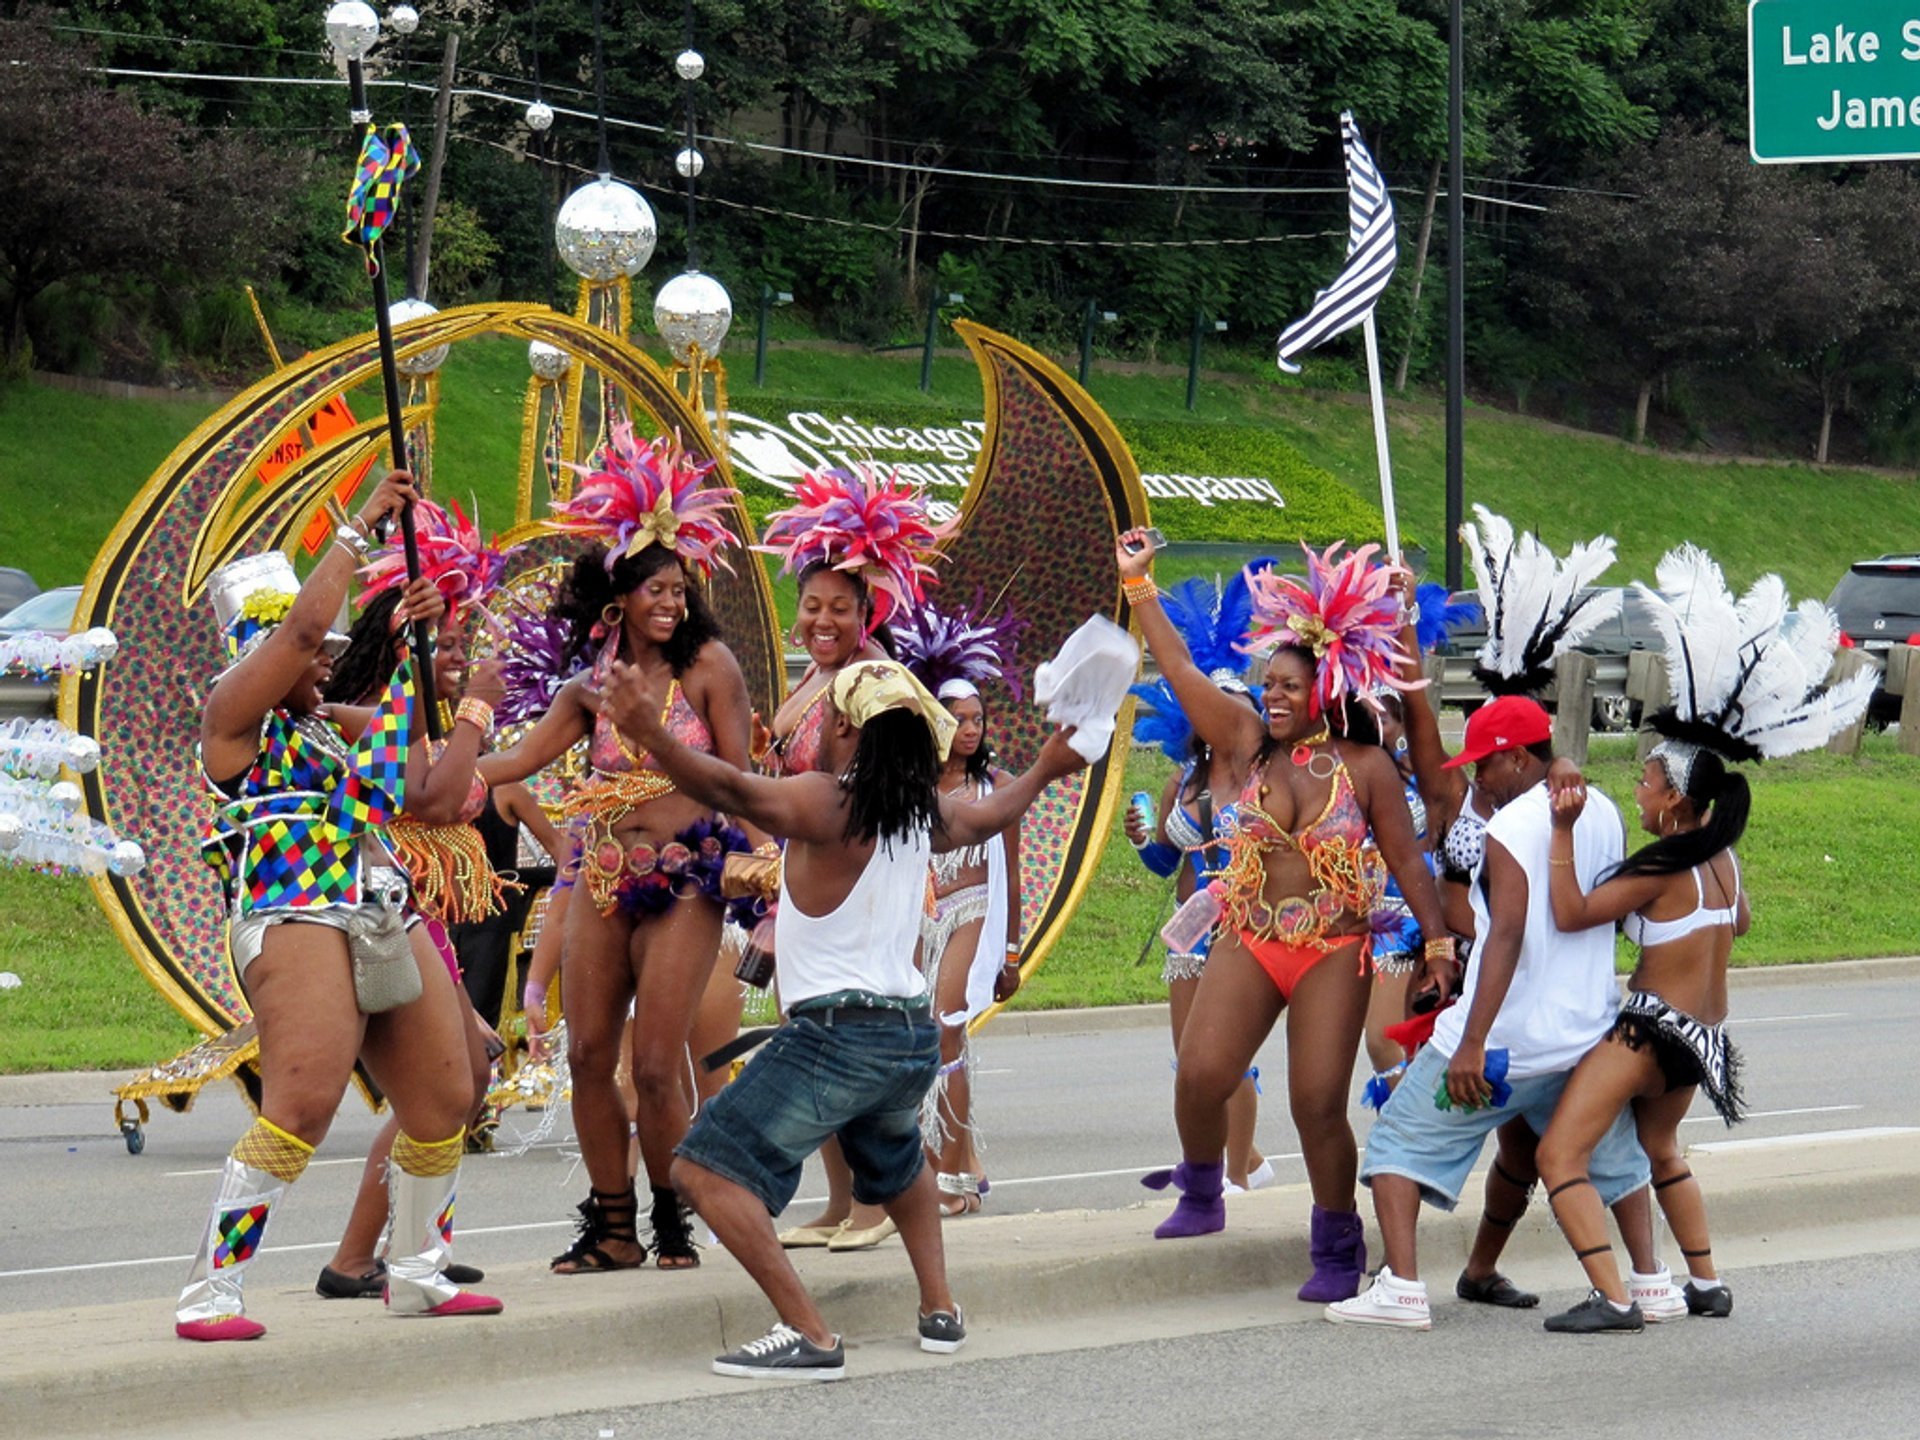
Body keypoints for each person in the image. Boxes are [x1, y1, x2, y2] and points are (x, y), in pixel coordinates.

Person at [603, 656, 1089, 1379]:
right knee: (896, 1164)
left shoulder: (827, 801)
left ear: (839, 726)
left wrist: (656, 735)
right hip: (905, 1036)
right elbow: (992, 812)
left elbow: (730, 787)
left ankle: (810, 1333)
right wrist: (1048, 766)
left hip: (838, 1037)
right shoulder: (920, 810)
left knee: (703, 1169)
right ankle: (940, 1310)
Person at [175, 470, 501, 1340]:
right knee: (304, 1104)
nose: (326, 660)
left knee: (445, 1095)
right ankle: (211, 1290)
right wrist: (362, 527)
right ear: (263, 649)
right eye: (313, 656)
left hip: (375, 904)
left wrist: (431, 657)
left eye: (328, 657)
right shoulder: (231, 718)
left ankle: (419, 1270)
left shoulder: (325, 725)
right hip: (293, 917)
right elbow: (307, 626)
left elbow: (423, 784)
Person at [1531, 543, 1873, 1333]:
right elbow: (1739, 923)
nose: (1637, 791)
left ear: (1679, 800)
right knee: (1662, 1153)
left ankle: (1613, 1297)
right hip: (1705, 1040)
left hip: (1650, 1033)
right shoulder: (1720, 857)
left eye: (1647, 783)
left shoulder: (1662, 864)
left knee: (1560, 1156)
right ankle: (1707, 1282)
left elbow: (1572, 912)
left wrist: (1560, 830)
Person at [1119, 533, 1452, 1305]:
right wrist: (1139, 586)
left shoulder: (1363, 768)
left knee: (1315, 1103)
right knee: (1201, 1074)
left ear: (1326, 689)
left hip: (1334, 947)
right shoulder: (1241, 744)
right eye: (1266, 684)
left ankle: (1338, 1239)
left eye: (1288, 687)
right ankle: (1203, 1189)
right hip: (1249, 935)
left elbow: (1406, 863)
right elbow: (1178, 671)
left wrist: (1436, 943)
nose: (1270, 696)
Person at [479, 424, 756, 1272]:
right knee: (590, 1056)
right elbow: (513, 762)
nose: (669, 603)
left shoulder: (711, 669)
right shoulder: (589, 688)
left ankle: (673, 1217)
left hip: (685, 886)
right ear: (616, 598)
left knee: (656, 1062)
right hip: (598, 882)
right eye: (653, 590)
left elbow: (739, 784)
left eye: (679, 588)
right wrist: (438, 748)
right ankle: (611, 1227)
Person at [1393, 527, 1667, 1316]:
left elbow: (1534, 910)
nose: (1474, 766)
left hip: (1510, 1005)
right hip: (1473, 983)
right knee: (1535, 1149)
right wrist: (1409, 621)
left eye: (1487, 754)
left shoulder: (1553, 798)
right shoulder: (1458, 802)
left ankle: (1459, 1274)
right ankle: (1485, 1274)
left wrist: (1564, 766)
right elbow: (1419, 719)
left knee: (1519, 1150)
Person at [1326, 695, 1650, 1331]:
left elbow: (1505, 936)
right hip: (1582, 1035)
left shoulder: (1508, 829)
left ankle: (1401, 1289)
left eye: (1487, 766)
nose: (1477, 780)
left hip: (1505, 1042)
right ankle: (1652, 1281)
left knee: (1397, 1145)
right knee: (1614, 1158)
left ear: (1520, 758)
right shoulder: (1605, 810)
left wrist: (1471, 1041)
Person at [752, 465, 948, 1252]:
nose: (822, 619)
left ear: (870, 612)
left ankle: (874, 1204)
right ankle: (840, 1200)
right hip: (806, 882)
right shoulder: (813, 682)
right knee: (812, 1035)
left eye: (841, 606)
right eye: (811, 606)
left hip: (866, 886)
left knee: (853, 1037)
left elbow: (895, 782)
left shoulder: (876, 683)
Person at [1122, 572, 1270, 1194]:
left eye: (1233, 708)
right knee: (1192, 1062)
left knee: (1228, 1059)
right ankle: (1247, 1163)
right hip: (1188, 935)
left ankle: (1233, 1173)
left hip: (1242, 928)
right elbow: (1165, 862)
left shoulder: (1266, 779)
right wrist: (1140, 838)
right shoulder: (1181, 783)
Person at [894, 596, 1029, 1213]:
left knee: (947, 1026)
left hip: (972, 910)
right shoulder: (908, 784)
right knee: (920, 1038)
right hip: (918, 915)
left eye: (978, 718)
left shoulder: (994, 787)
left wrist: (1011, 951)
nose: (971, 729)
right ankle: (946, 1165)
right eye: (958, 718)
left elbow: (1012, 875)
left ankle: (952, 1178)